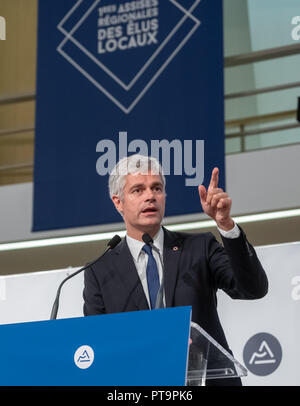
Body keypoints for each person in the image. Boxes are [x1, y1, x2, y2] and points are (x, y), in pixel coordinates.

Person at [83, 154, 268, 386]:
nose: (150, 196)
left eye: (157, 188)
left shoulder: (200, 247)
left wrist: (226, 225)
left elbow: (253, 289)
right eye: (138, 190)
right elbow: (98, 345)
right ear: (118, 202)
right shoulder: (99, 271)